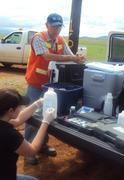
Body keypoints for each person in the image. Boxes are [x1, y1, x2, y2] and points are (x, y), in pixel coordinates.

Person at [24, 12, 86, 165]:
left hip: (52, 86)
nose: (57, 30)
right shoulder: (38, 38)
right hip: (36, 84)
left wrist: (78, 59)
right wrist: (72, 58)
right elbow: (47, 56)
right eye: (54, 26)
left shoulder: (60, 40)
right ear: (47, 25)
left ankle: (42, 144)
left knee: (48, 115)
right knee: (33, 117)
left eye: (59, 27)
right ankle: (28, 151)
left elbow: (70, 56)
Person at [0, 88, 55, 180]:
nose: (22, 108)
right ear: (10, 111)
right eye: (20, 106)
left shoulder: (3, 120)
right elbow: (32, 150)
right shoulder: (10, 134)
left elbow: (18, 120)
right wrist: (45, 121)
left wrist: (37, 104)